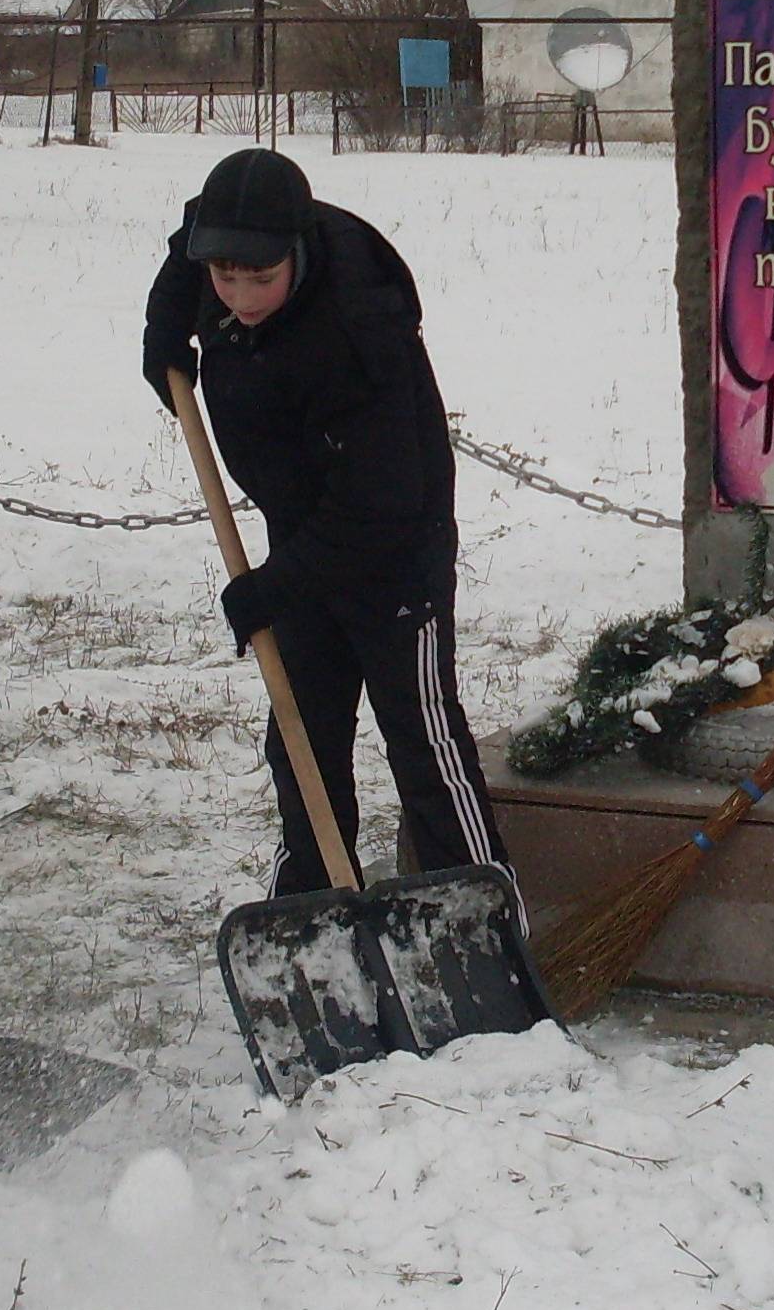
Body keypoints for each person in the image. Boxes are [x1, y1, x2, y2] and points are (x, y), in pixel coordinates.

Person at [140, 148, 510, 896]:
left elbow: (379, 505)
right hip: (301, 526)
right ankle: (313, 897)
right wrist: (163, 332)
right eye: (225, 278)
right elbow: (186, 256)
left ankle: (478, 908)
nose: (240, 297)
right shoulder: (217, 246)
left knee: (421, 739)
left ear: (296, 252)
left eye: (260, 279)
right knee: (301, 731)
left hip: (394, 546)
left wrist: (274, 588)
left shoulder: (358, 333)